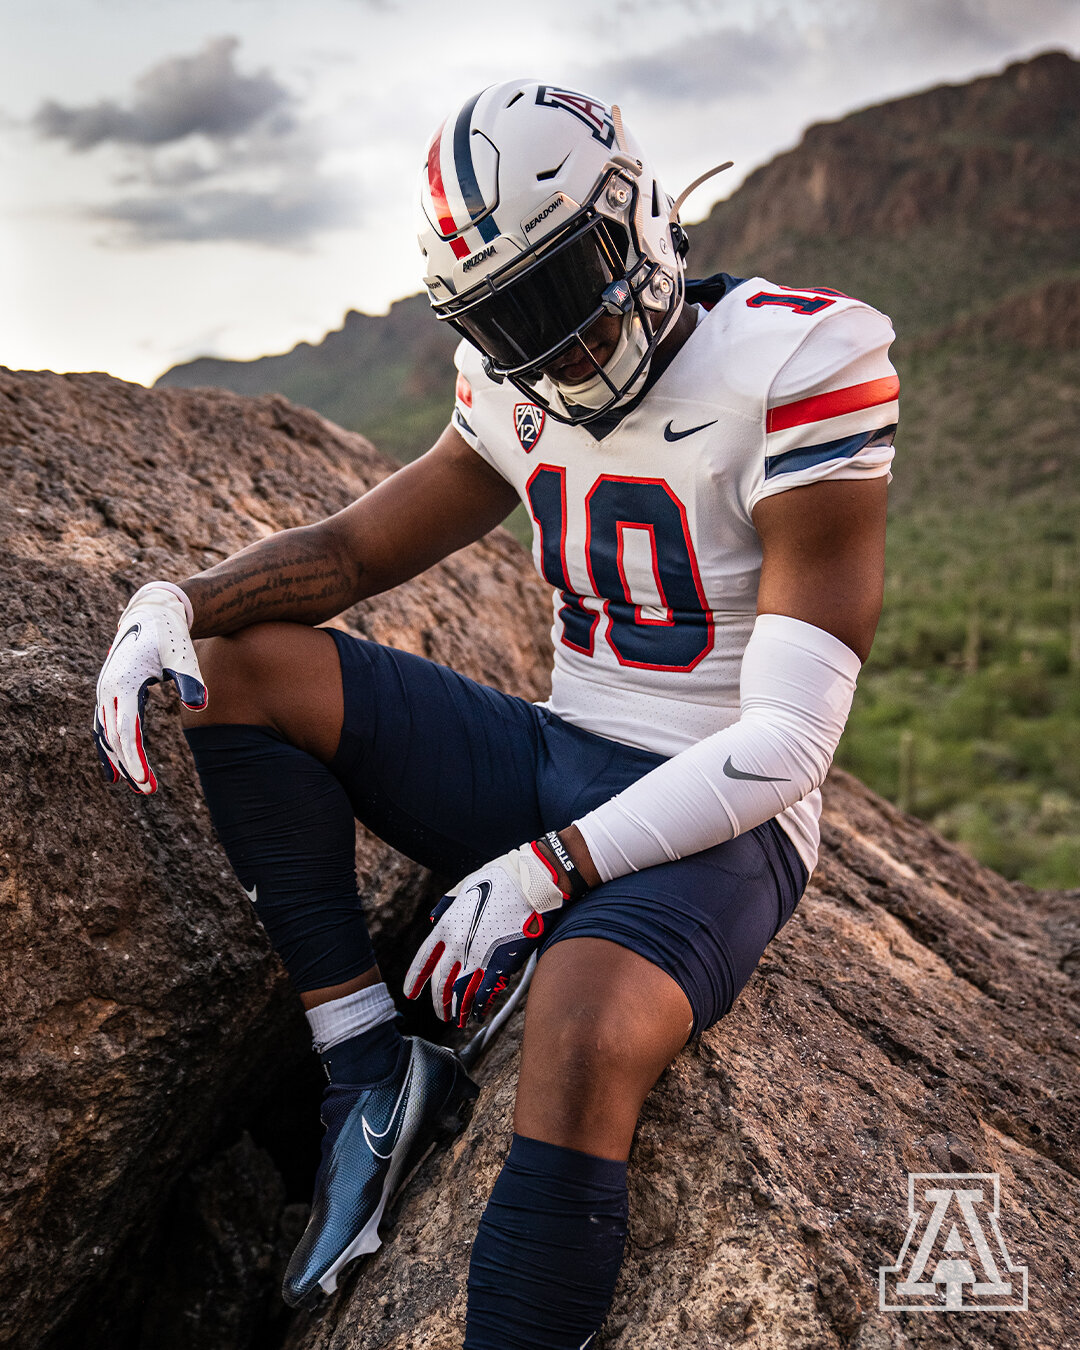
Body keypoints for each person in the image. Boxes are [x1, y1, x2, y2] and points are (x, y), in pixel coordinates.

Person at [92, 79, 897, 1349]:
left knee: (573, 1037)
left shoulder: (800, 361)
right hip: (556, 748)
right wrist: (173, 603)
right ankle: (368, 1071)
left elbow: (791, 746)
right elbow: (355, 549)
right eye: (505, 313)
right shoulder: (516, 383)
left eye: (560, 288)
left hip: (719, 810)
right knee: (236, 670)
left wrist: (548, 870)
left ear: (629, 218)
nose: (551, 343)